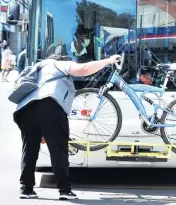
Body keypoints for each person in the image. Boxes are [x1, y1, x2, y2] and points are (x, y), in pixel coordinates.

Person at [13, 53, 121, 200]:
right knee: (58, 150)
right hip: (49, 104)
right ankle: (64, 190)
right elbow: (84, 69)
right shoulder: (59, 64)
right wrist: (109, 60)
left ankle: (26, 189)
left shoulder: (39, 66)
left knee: (29, 149)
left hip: (25, 109)